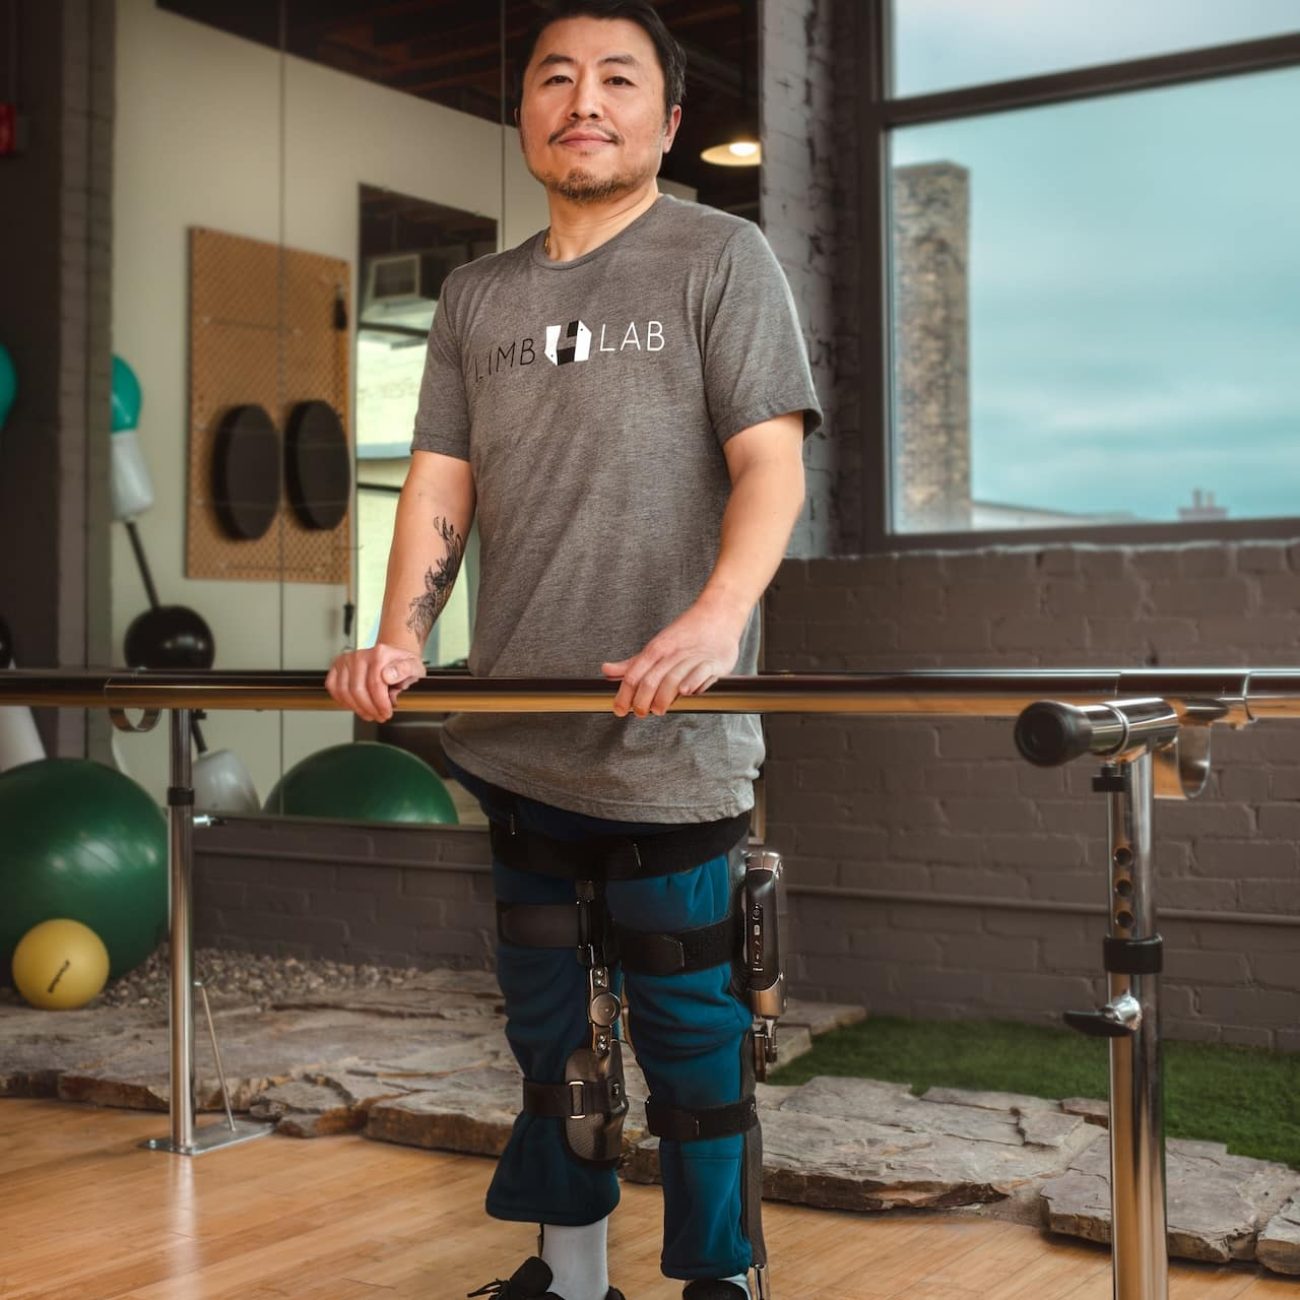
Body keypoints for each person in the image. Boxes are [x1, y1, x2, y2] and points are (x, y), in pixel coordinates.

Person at [326, 3, 822, 1296]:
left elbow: (772, 461)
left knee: (693, 1040)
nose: (582, 98)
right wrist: (397, 638)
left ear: (666, 118)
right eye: (555, 77)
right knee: (553, 1043)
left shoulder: (722, 256)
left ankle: (720, 1282)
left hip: (672, 744)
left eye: (618, 78)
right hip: (522, 736)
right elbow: (440, 483)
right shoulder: (478, 295)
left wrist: (718, 618)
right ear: (525, 115)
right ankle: (575, 1276)